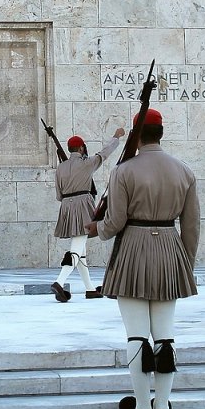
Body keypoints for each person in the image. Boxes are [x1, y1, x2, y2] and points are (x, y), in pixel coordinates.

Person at [86, 109, 199, 409]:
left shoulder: (124, 171)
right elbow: (191, 227)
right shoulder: (184, 170)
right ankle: (162, 405)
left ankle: (140, 404)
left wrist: (98, 229)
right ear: (161, 132)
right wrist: (185, 263)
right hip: (169, 249)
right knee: (165, 336)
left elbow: (116, 221)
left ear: (137, 134)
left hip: (133, 249)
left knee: (137, 335)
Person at [50, 127, 125, 302]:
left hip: (67, 207)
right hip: (83, 205)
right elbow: (104, 154)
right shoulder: (87, 163)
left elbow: (58, 195)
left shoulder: (60, 167)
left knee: (80, 249)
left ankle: (90, 289)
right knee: (76, 247)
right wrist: (116, 137)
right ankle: (59, 282)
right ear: (82, 148)